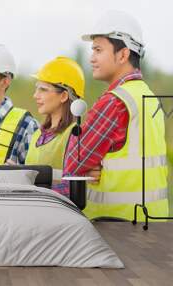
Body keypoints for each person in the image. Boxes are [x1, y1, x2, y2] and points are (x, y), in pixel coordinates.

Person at [63, 10, 169, 221]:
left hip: (117, 227)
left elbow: (72, 165)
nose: (91, 58)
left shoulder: (115, 101)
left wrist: (88, 168)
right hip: (153, 223)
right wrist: (94, 165)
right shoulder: (147, 96)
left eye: (98, 50)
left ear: (123, 55)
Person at [24, 57, 85, 196]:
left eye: (43, 90)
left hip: (59, 214)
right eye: (36, 89)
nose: (35, 95)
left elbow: (72, 189)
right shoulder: (37, 135)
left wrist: (28, 186)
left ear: (64, 96)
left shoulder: (75, 135)